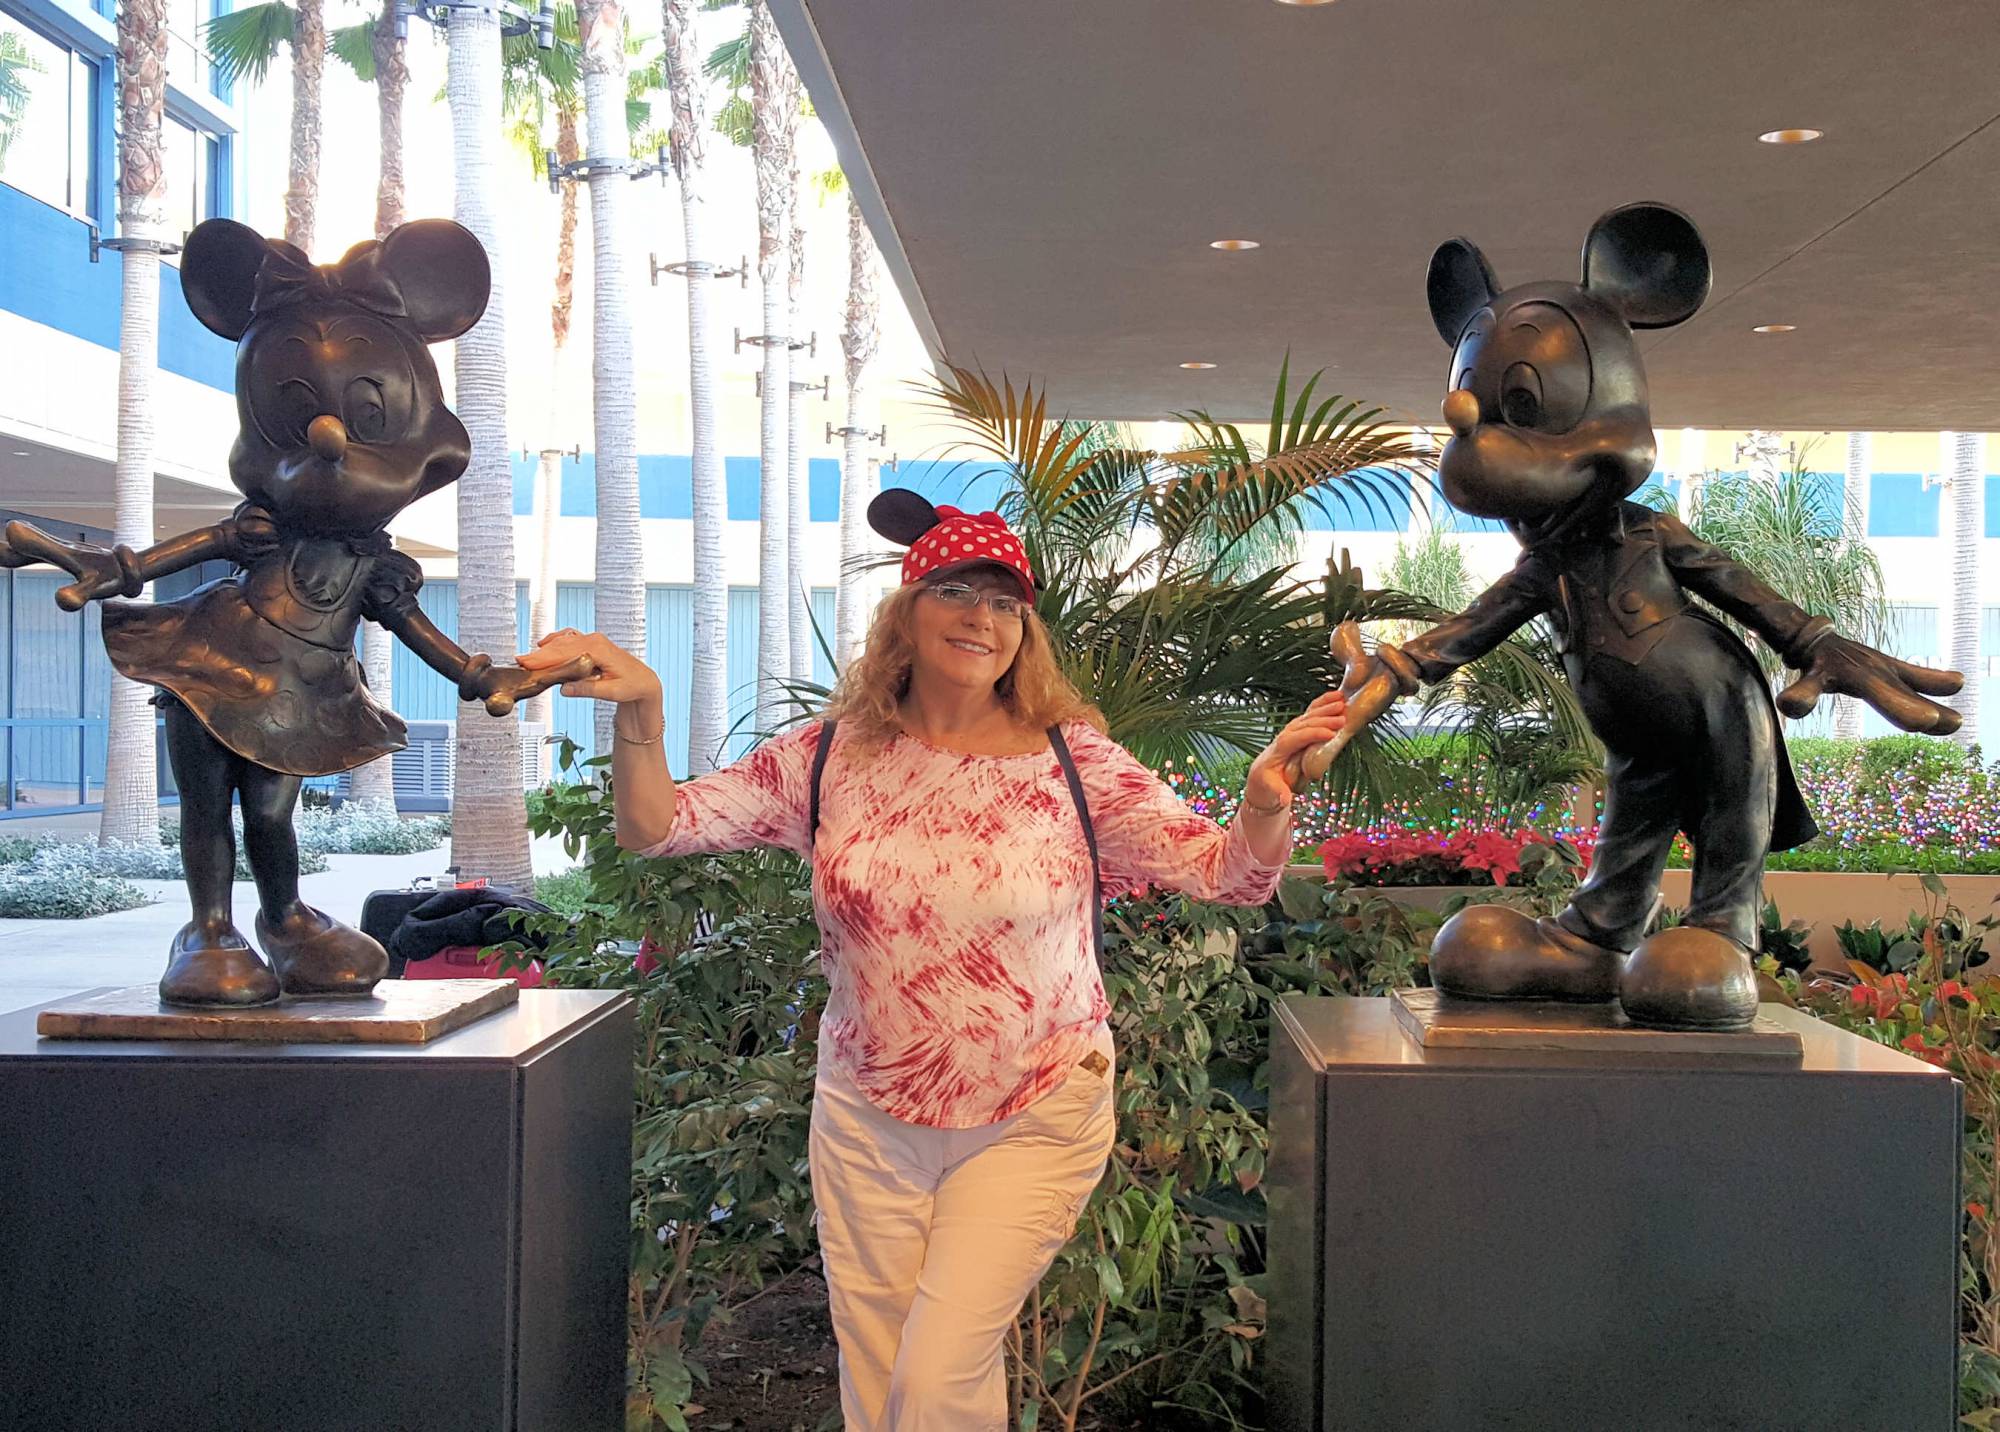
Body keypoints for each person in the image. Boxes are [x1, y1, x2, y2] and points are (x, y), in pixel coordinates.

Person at [520, 491, 1346, 1431]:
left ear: (1024, 631)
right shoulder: (830, 756)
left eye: (1003, 601)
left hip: (1037, 1105)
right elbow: (658, 825)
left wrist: (1267, 796)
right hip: (868, 1115)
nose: (979, 617)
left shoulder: (1073, 763)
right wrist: (644, 711)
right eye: (954, 589)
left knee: (938, 1371)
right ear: (906, 613)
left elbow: (1226, 875)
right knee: (881, 1378)